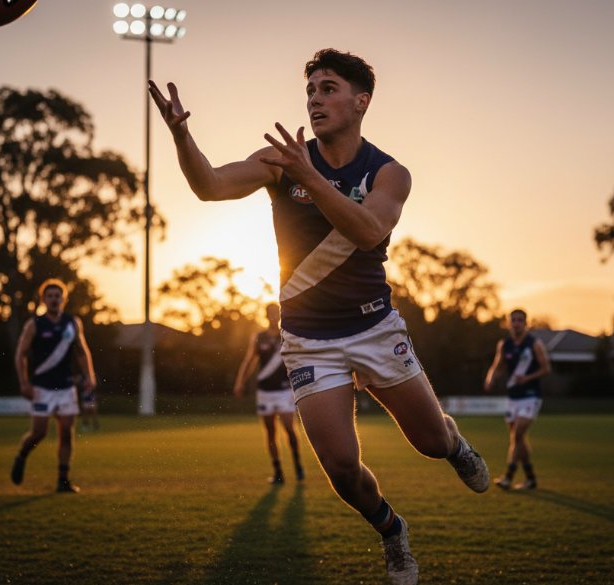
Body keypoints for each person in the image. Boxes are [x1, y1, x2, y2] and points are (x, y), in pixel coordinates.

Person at [150, 48, 490, 585]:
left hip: (375, 328)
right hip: (309, 339)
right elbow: (210, 186)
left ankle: (456, 445)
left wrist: (310, 176)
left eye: (328, 89)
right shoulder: (281, 161)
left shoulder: (389, 172)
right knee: (341, 467)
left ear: (361, 101)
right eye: (310, 90)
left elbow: (368, 232)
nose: (314, 100)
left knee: (430, 443)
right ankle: (391, 530)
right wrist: (181, 137)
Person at [10, 278, 97, 493]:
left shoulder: (72, 323)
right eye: (49, 296)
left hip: (66, 387)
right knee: (39, 433)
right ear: (43, 300)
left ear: (63, 299)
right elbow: (20, 354)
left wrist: (89, 376)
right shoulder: (34, 324)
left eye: (57, 296)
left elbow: (82, 351)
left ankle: (63, 480)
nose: (54, 299)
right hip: (42, 388)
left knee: (66, 432)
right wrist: (24, 382)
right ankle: (22, 456)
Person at [233, 302, 306, 484]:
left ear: (280, 315)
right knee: (270, 432)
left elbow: (298, 359)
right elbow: (249, 361)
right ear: (265, 315)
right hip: (265, 391)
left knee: (289, 428)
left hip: (284, 390)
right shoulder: (259, 337)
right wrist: (240, 382)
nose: (273, 316)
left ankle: (298, 465)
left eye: (276, 313)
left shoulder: (286, 336)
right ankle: (278, 472)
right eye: (270, 313)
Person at [484, 309, 551, 491]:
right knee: (519, 439)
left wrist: (527, 378)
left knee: (518, 435)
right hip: (513, 397)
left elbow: (546, 368)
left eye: (520, 320)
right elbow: (497, 365)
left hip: (531, 396)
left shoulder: (534, 344)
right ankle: (530, 478)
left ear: (526, 323)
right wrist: (490, 378)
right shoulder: (504, 344)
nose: (516, 323)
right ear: (509, 323)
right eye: (513, 320)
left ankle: (508, 476)